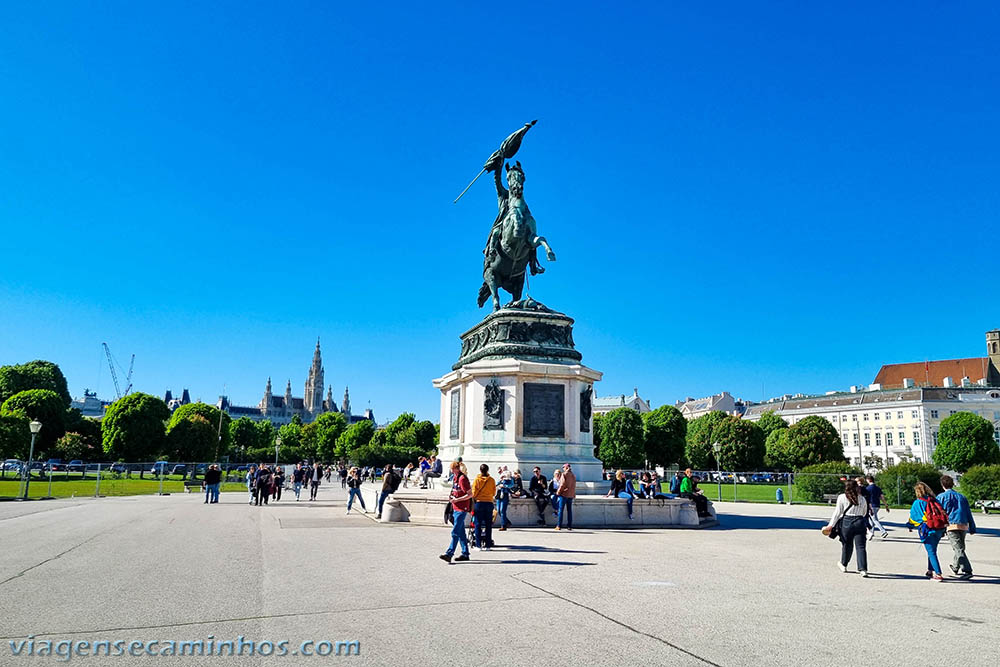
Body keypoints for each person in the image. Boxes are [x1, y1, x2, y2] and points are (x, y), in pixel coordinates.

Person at [823, 478, 870, 576]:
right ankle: (863, 569)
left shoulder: (842, 497)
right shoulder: (862, 498)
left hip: (847, 522)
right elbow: (865, 512)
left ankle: (844, 564)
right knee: (861, 546)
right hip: (860, 521)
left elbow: (837, 513)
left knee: (847, 545)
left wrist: (830, 525)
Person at [937, 475, 976, 580]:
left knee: (958, 549)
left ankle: (967, 570)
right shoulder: (961, 497)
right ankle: (955, 566)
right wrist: (972, 526)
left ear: (942, 485)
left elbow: (939, 513)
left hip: (951, 525)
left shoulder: (941, 497)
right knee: (960, 547)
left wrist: (939, 527)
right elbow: (968, 512)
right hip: (963, 524)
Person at [908, 482, 948, 582]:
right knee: (933, 550)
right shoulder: (934, 501)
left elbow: (913, 518)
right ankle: (930, 570)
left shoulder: (917, 502)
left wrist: (909, 525)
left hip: (927, 528)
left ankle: (938, 574)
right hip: (938, 528)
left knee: (931, 552)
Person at [440, 461, 472, 563]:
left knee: (455, 532)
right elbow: (456, 491)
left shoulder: (462, 479)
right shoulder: (455, 478)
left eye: (453, 469)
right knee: (461, 532)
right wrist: (452, 497)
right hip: (456, 507)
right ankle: (465, 553)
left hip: (461, 509)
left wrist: (457, 500)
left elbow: (470, 494)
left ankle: (449, 553)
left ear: (457, 469)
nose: (452, 471)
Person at [471, 464, 496, 549]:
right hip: (489, 503)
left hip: (479, 503)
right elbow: (494, 493)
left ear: (480, 470)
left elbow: (473, 493)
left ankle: (478, 545)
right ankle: (488, 545)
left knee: (477, 524)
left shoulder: (477, 480)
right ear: (488, 470)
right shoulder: (492, 480)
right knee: (488, 525)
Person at [862, 475, 889, 539]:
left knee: (874, 519)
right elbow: (882, 497)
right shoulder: (878, 488)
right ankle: (871, 533)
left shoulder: (867, 488)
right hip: (877, 505)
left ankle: (883, 531)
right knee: (871, 520)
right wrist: (886, 505)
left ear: (868, 480)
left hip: (871, 506)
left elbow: (865, 497)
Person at [555, 463, 576, 530]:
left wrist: (558, 492)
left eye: (563, 467)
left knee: (560, 510)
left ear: (566, 467)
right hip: (570, 495)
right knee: (569, 511)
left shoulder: (564, 474)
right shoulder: (573, 475)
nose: (563, 469)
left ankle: (559, 525)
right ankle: (569, 526)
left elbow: (562, 484)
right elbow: (574, 485)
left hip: (564, 494)